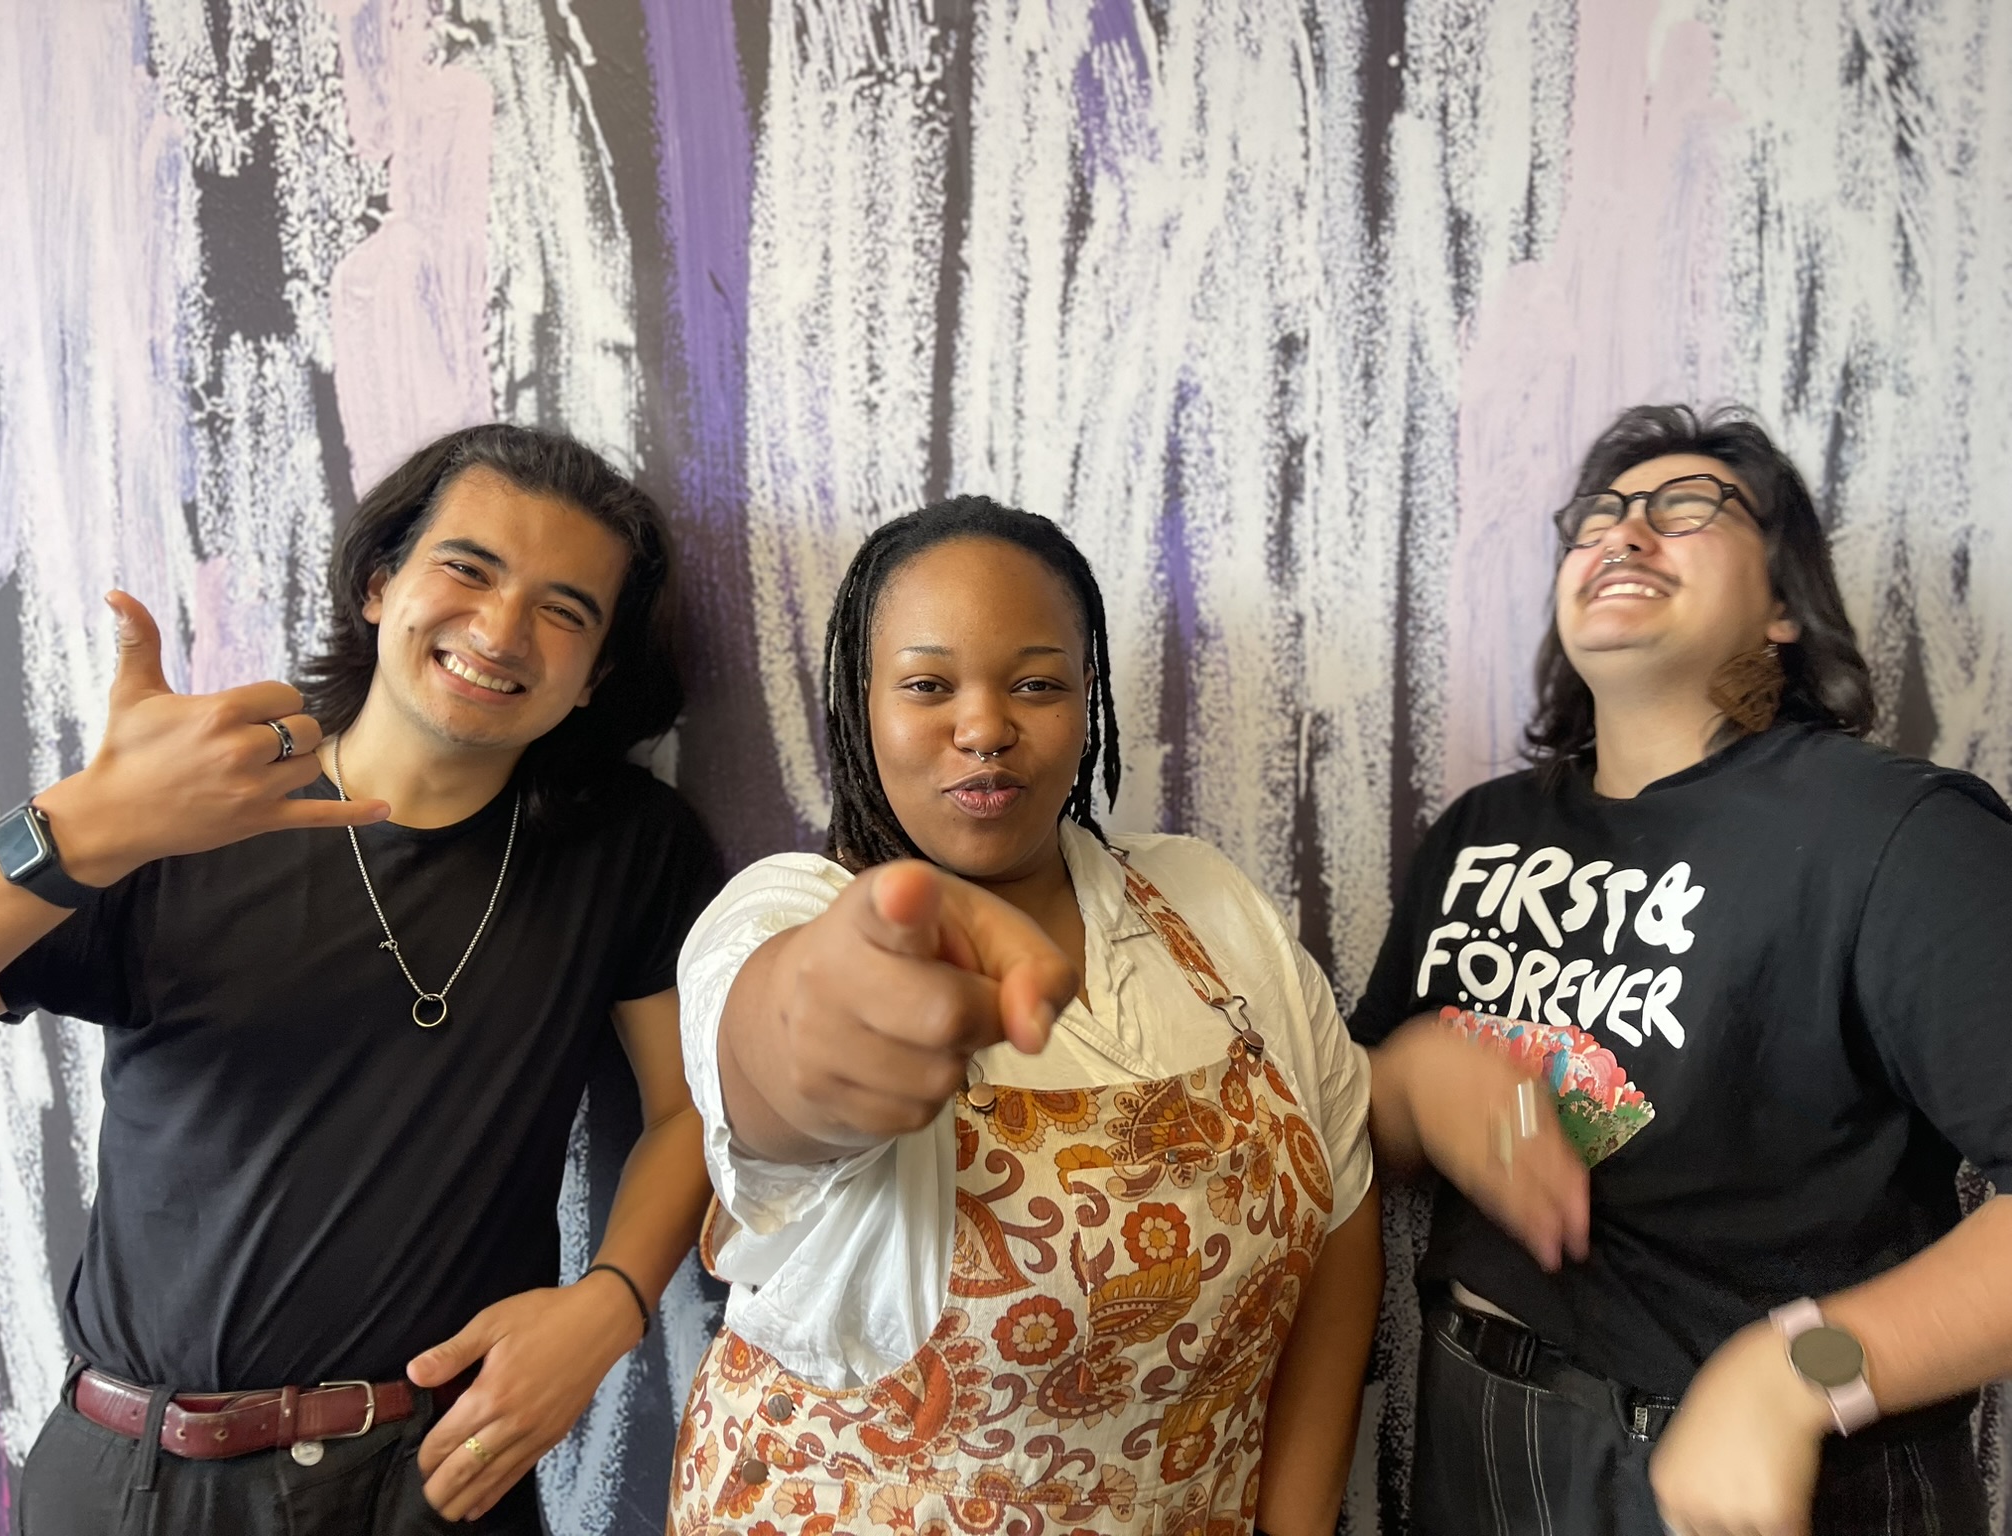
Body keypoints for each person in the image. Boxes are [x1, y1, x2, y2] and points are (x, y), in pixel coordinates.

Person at [0, 424, 721, 1533]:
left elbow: (689, 1105)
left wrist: (607, 1308)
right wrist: (88, 824)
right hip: (124, 1473)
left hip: (424, 1478)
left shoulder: (625, 847)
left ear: (595, 672)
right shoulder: (195, 804)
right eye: (466, 570)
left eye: (564, 611)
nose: (500, 631)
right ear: (379, 585)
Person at [1354, 404, 2012, 1536]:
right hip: (1477, 1431)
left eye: (1686, 509)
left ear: (1779, 609)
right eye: (1598, 516)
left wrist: (1805, 1371)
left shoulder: (1894, 833)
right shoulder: (1478, 828)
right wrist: (1412, 1074)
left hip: (1767, 1475)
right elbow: (1355, 1133)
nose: (1622, 534)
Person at [669, 497, 1382, 1536]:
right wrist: (829, 1031)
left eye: (1035, 685)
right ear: (860, 707)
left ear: (1087, 700)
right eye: (926, 685)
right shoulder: (787, 913)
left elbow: (1339, 1220)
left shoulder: (1210, 904)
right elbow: (776, 1058)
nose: (984, 728)